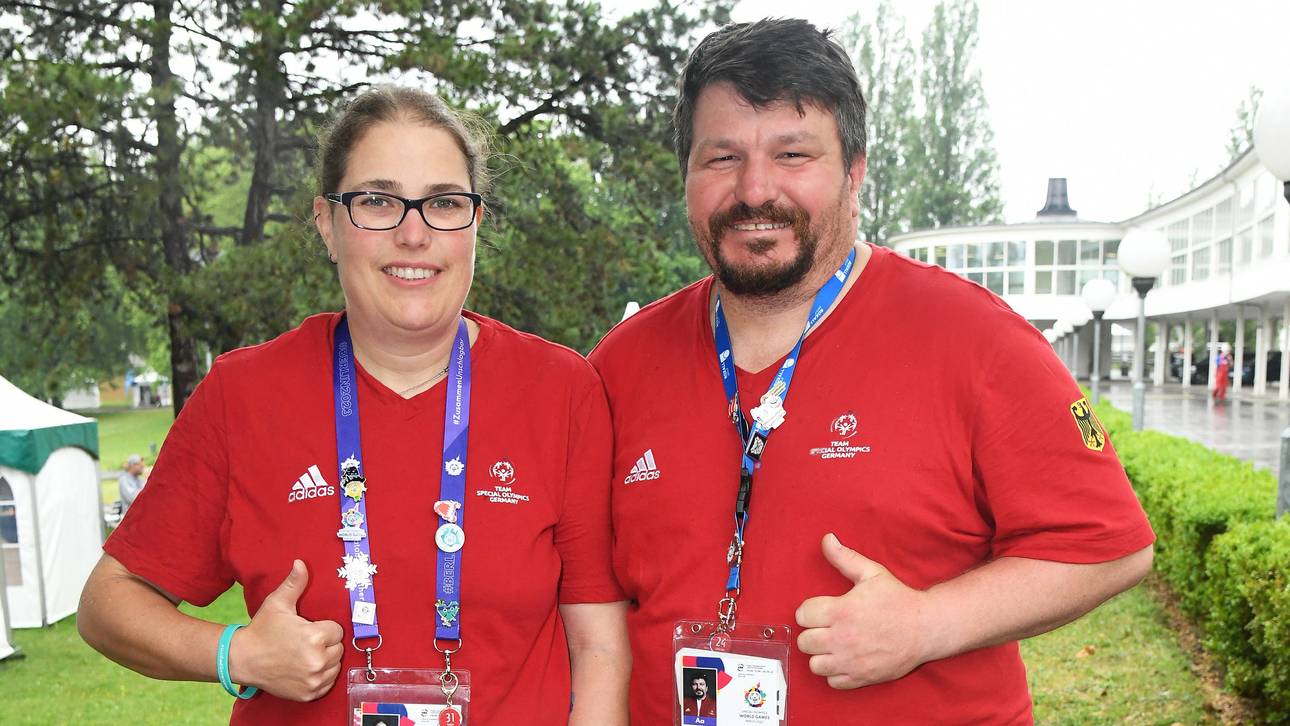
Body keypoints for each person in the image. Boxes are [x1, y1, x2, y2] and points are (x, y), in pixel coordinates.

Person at [589, 19, 1155, 724]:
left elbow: (1110, 548)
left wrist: (926, 624)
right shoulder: (619, 366)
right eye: (721, 158)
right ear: (687, 177)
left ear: (855, 171)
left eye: (793, 154)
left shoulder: (972, 337)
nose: (754, 188)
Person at [78, 86, 629, 724]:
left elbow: (598, 645)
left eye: (444, 202)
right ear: (327, 224)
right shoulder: (244, 395)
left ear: (475, 221)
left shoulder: (560, 390)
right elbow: (106, 604)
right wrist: (236, 653)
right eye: (377, 201)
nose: (414, 232)